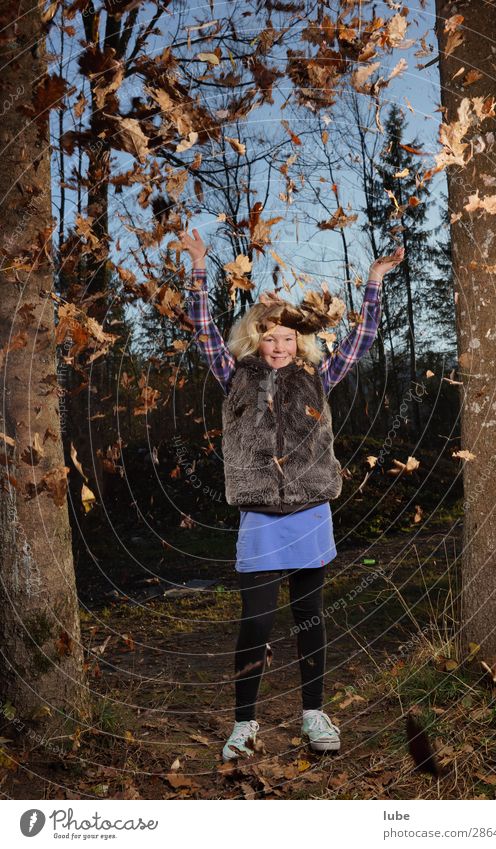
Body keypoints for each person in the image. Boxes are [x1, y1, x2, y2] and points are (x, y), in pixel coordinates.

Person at [175, 228, 404, 762]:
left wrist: (374, 281)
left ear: (299, 342)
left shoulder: (319, 375)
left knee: (309, 616)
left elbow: (362, 339)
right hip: (260, 515)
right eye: (269, 338)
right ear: (256, 339)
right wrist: (199, 266)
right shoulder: (233, 375)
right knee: (255, 621)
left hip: (310, 511)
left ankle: (313, 713)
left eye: (287, 339)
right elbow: (203, 327)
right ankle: (245, 723)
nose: (278, 347)